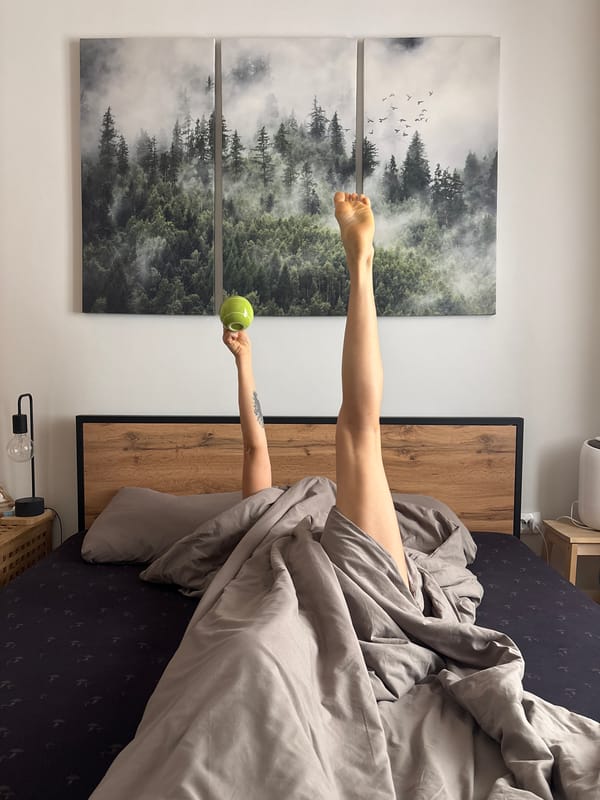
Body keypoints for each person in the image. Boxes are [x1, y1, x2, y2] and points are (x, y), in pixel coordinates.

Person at [223, 192, 409, 586]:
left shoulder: (263, 515)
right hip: (364, 577)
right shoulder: (264, 516)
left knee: (361, 432)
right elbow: (253, 448)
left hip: (326, 580)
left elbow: (253, 447)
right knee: (361, 433)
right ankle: (361, 268)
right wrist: (244, 361)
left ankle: (361, 265)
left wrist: (244, 362)